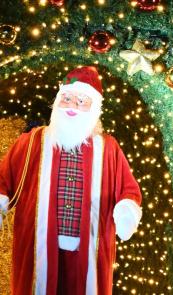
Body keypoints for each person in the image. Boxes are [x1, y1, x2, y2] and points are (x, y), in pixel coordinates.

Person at [0, 66, 143, 295]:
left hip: (88, 248)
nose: (72, 106)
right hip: (39, 245)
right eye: (67, 98)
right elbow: (3, 178)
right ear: (57, 102)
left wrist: (126, 209)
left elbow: (128, 189)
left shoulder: (108, 148)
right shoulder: (32, 141)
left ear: (94, 108)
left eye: (81, 101)